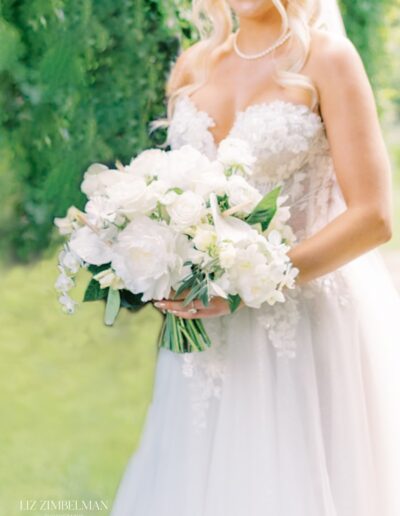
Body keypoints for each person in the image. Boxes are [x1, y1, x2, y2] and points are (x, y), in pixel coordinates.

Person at [110, 1, 400, 514]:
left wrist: (250, 283)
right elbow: (179, 199)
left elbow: (374, 216)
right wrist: (157, 259)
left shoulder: (327, 60)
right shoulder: (193, 65)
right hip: (205, 340)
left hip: (302, 331)